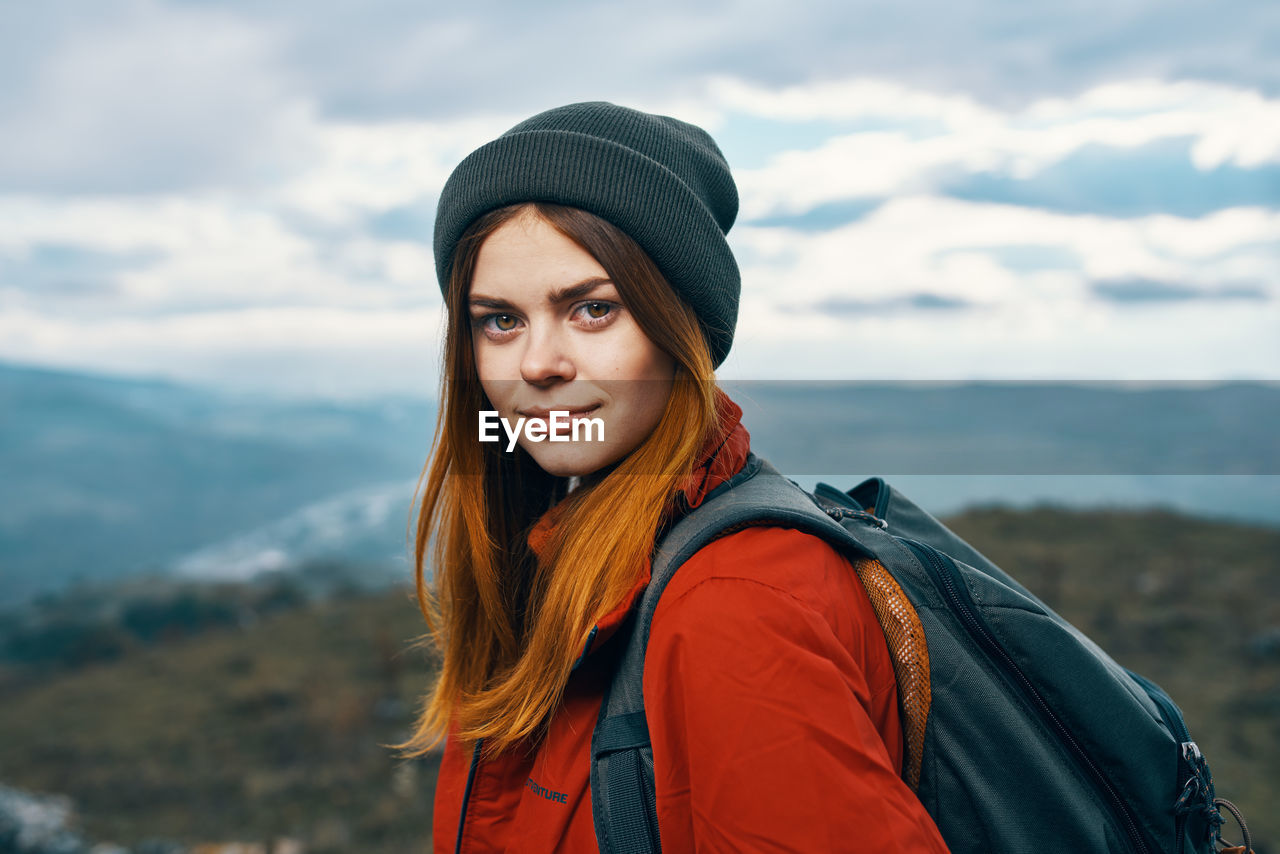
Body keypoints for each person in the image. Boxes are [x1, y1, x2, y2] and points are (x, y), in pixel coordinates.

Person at [400, 101, 950, 853]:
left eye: (593, 310)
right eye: (500, 320)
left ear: (679, 326)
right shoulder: (566, 577)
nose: (537, 363)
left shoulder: (732, 607)